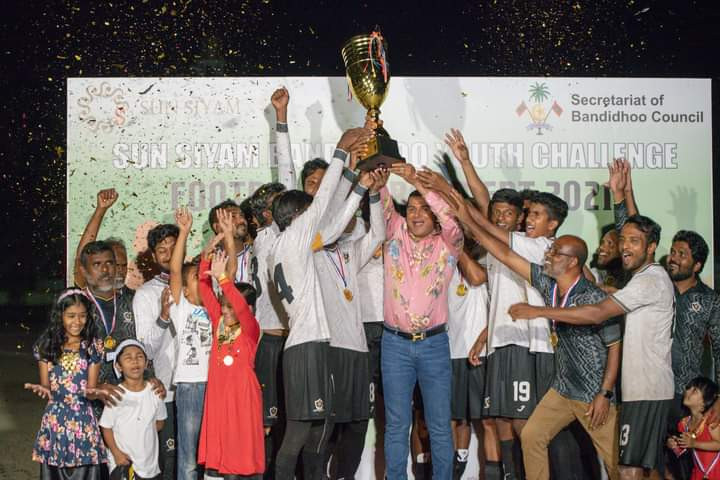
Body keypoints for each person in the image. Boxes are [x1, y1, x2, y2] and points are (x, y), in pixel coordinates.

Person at [509, 214, 675, 480]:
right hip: (614, 388)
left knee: (628, 468)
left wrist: (537, 311)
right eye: (623, 239)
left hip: (643, 390)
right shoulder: (640, 278)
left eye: (634, 241)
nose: (625, 246)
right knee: (634, 465)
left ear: (652, 246)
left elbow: (598, 314)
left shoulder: (649, 280)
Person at [268, 127, 372, 479]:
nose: (315, 212)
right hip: (307, 346)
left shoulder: (289, 246)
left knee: (317, 434)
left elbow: (336, 226)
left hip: (309, 344)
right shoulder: (294, 237)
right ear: (296, 216)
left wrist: (360, 187)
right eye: (307, 209)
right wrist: (340, 153)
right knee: (298, 436)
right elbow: (325, 199)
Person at [378, 161, 463, 480]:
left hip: (434, 344)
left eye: (424, 209)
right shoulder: (395, 233)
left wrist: (418, 182)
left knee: (439, 425)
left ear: (434, 216)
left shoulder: (449, 244)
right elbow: (384, 202)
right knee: (396, 424)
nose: (416, 215)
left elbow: (451, 219)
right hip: (394, 345)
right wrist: (381, 176)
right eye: (411, 208)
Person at [314, 169, 387, 479]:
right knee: (330, 422)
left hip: (359, 350)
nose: (347, 220)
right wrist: (358, 189)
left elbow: (379, 235)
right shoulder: (311, 252)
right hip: (332, 348)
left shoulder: (349, 252)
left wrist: (374, 194)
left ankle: (345, 476)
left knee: (358, 422)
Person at [26, 288, 107, 479]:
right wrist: (43, 389)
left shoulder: (93, 346)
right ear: (59, 316)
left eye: (82, 316)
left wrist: (99, 392)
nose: (77, 321)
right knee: (54, 469)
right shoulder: (47, 345)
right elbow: (46, 385)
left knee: (85, 470)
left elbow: (91, 388)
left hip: (82, 418)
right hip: (56, 418)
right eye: (71, 316)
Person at [197, 247, 264, 478]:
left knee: (239, 453)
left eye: (230, 306)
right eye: (223, 305)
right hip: (219, 394)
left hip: (241, 396)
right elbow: (204, 289)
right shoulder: (219, 323)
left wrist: (224, 279)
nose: (225, 310)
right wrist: (205, 261)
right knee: (220, 457)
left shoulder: (251, 329)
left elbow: (241, 308)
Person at [132, 223, 180, 479]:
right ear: (153, 256)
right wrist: (163, 316)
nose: (169, 255)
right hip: (167, 393)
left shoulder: (197, 284)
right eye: (162, 250)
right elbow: (146, 350)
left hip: (200, 389)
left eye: (174, 247)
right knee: (169, 461)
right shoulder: (145, 294)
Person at [447, 241, 490, 480]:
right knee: (454, 417)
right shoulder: (444, 263)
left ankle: (492, 470)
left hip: (481, 353)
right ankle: (454, 465)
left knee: (488, 421)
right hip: (450, 351)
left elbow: (476, 278)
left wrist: (457, 246)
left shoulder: (488, 261)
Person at [100, 339, 167, 480]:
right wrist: (116, 453)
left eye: (139, 356)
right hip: (124, 463)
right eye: (128, 358)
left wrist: (142, 430)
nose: (135, 361)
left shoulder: (155, 392)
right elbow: (106, 427)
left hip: (150, 466)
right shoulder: (116, 395)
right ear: (118, 366)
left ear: (146, 363)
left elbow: (160, 423)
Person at [668, 377, 720, 480]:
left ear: (705, 401)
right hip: (698, 474)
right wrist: (674, 446)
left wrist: (694, 443)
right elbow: (684, 451)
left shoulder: (711, 421)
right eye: (688, 388)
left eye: (694, 390)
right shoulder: (683, 424)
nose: (687, 391)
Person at [208, 199, 249, 284]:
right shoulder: (210, 262)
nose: (241, 220)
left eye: (242, 215)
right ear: (217, 227)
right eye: (233, 216)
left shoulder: (257, 252)